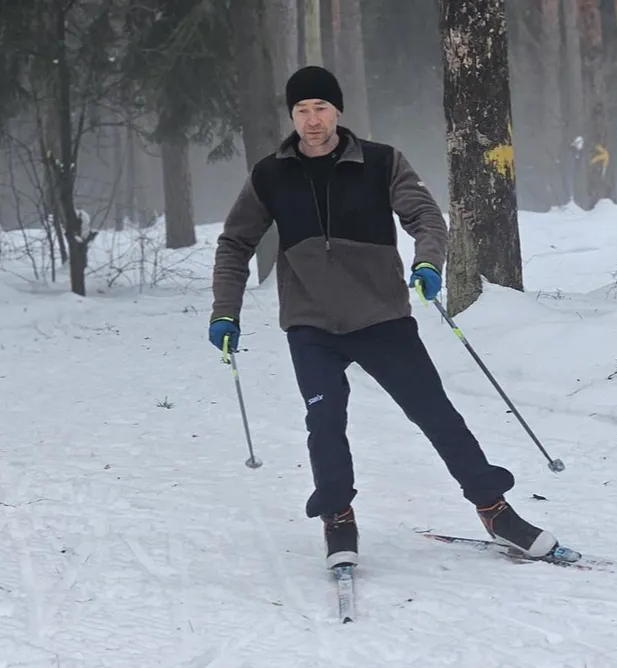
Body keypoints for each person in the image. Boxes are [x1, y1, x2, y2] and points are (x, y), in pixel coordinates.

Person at [208, 66, 559, 569]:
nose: (312, 120)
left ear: (338, 110)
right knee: (324, 422)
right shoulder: (270, 174)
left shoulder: (380, 161)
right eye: (302, 110)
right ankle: (338, 519)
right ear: (291, 115)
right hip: (312, 325)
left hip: (381, 318)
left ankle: (495, 510)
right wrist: (225, 312)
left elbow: (425, 216)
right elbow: (235, 243)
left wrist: (427, 261)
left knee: (435, 414)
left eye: (321, 108)